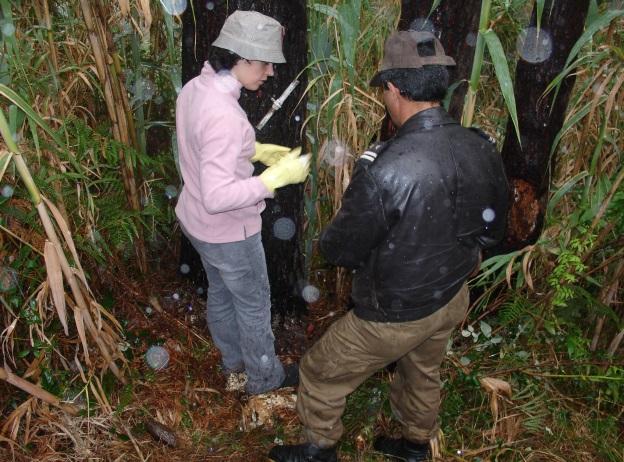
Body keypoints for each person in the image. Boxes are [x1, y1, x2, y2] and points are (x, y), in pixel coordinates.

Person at [268, 30, 509, 461]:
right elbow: (492, 233)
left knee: (320, 372)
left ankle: (318, 449)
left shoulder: (386, 167)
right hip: (452, 296)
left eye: (385, 90)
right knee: (423, 368)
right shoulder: (481, 147)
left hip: (395, 312)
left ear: (394, 89)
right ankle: (416, 445)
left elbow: (339, 250)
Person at [175, 10, 310, 395]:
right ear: (242, 57)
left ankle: (233, 366)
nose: (269, 72)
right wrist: (272, 180)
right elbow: (219, 196)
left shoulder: (196, 89)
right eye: (265, 63)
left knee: (220, 291)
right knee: (253, 305)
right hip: (230, 231)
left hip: (197, 221)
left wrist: (255, 150)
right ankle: (264, 382)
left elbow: (205, 149)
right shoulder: (225, 115)